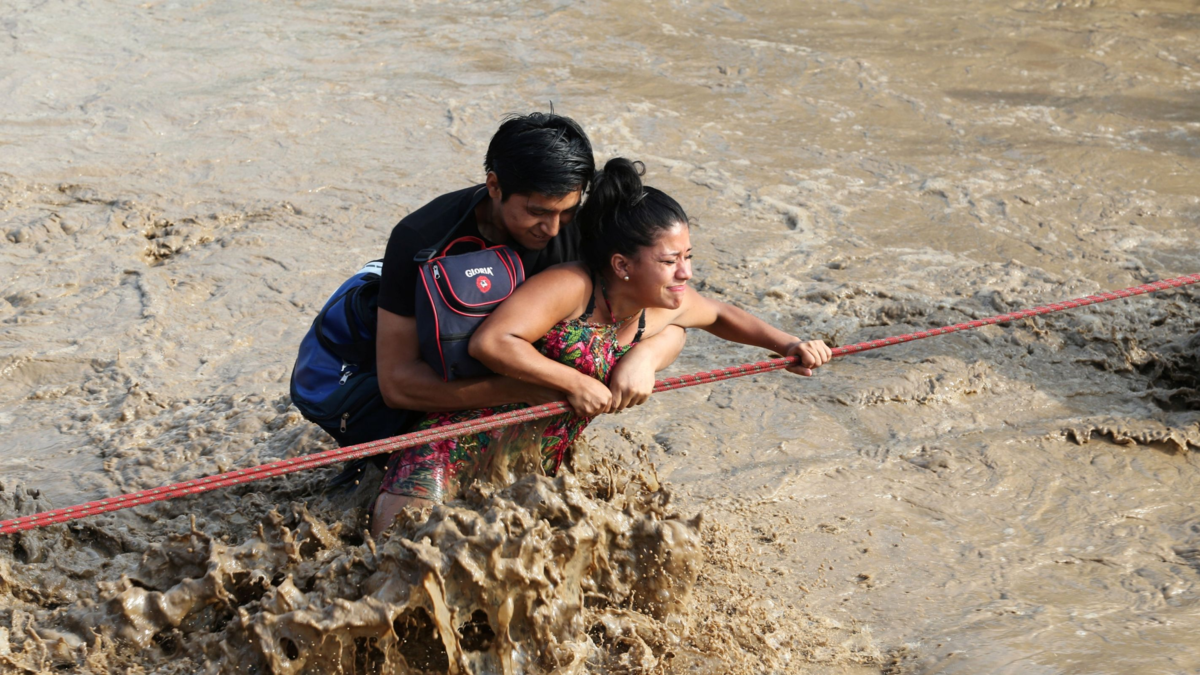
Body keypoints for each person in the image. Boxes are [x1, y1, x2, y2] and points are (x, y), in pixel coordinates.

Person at [370, 157, 832, 536]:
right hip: (449, 451)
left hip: (530, 471)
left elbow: (718, 315)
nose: (686, 273)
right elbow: (492, 342)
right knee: (401, 564)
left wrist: (789, 344)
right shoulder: (572, 287)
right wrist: (572, 382)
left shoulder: (660, 306)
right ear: (622, 265)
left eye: (688, 257)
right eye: (670, 261)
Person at [362, 113, 687, 481]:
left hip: (539, 410)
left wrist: (646, 357)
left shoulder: (581, 230)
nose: (552, 229)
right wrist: (529, 390)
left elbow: (672, 316)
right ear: (494, 185)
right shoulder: (422, 239)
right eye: (537, 212)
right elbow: (397, 384)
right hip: (437, 410)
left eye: (567, 211)